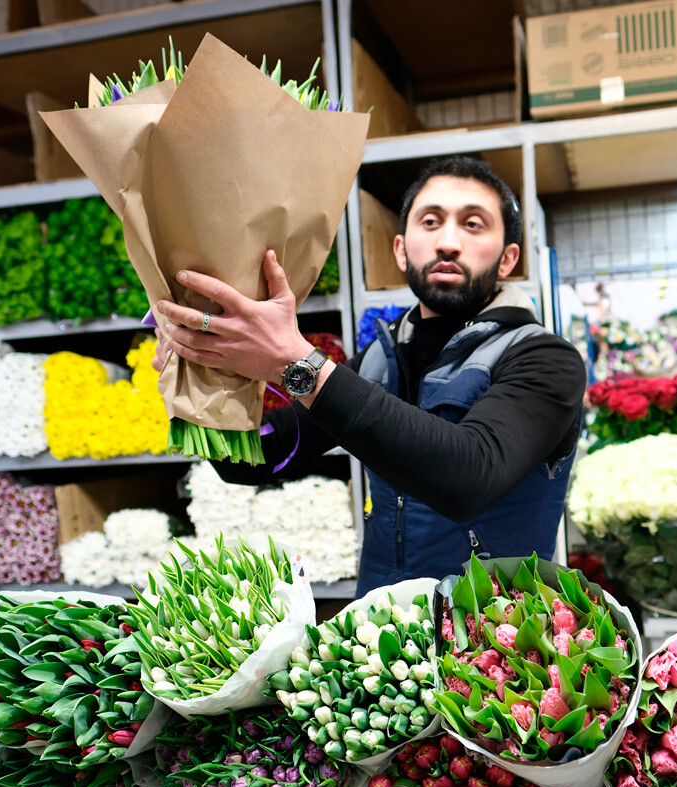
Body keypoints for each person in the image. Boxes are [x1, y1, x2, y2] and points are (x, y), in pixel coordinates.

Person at [151, 155, 586, 594]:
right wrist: (197, 371)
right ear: (400, 249)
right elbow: (252, 460)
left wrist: (293, 364)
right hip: (382, 633)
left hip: (494, 639)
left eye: (473, 224)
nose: (448, 242)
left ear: (508, 258)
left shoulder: (544, 359)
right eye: (430, 222)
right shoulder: (380, 357)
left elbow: (469, 479)